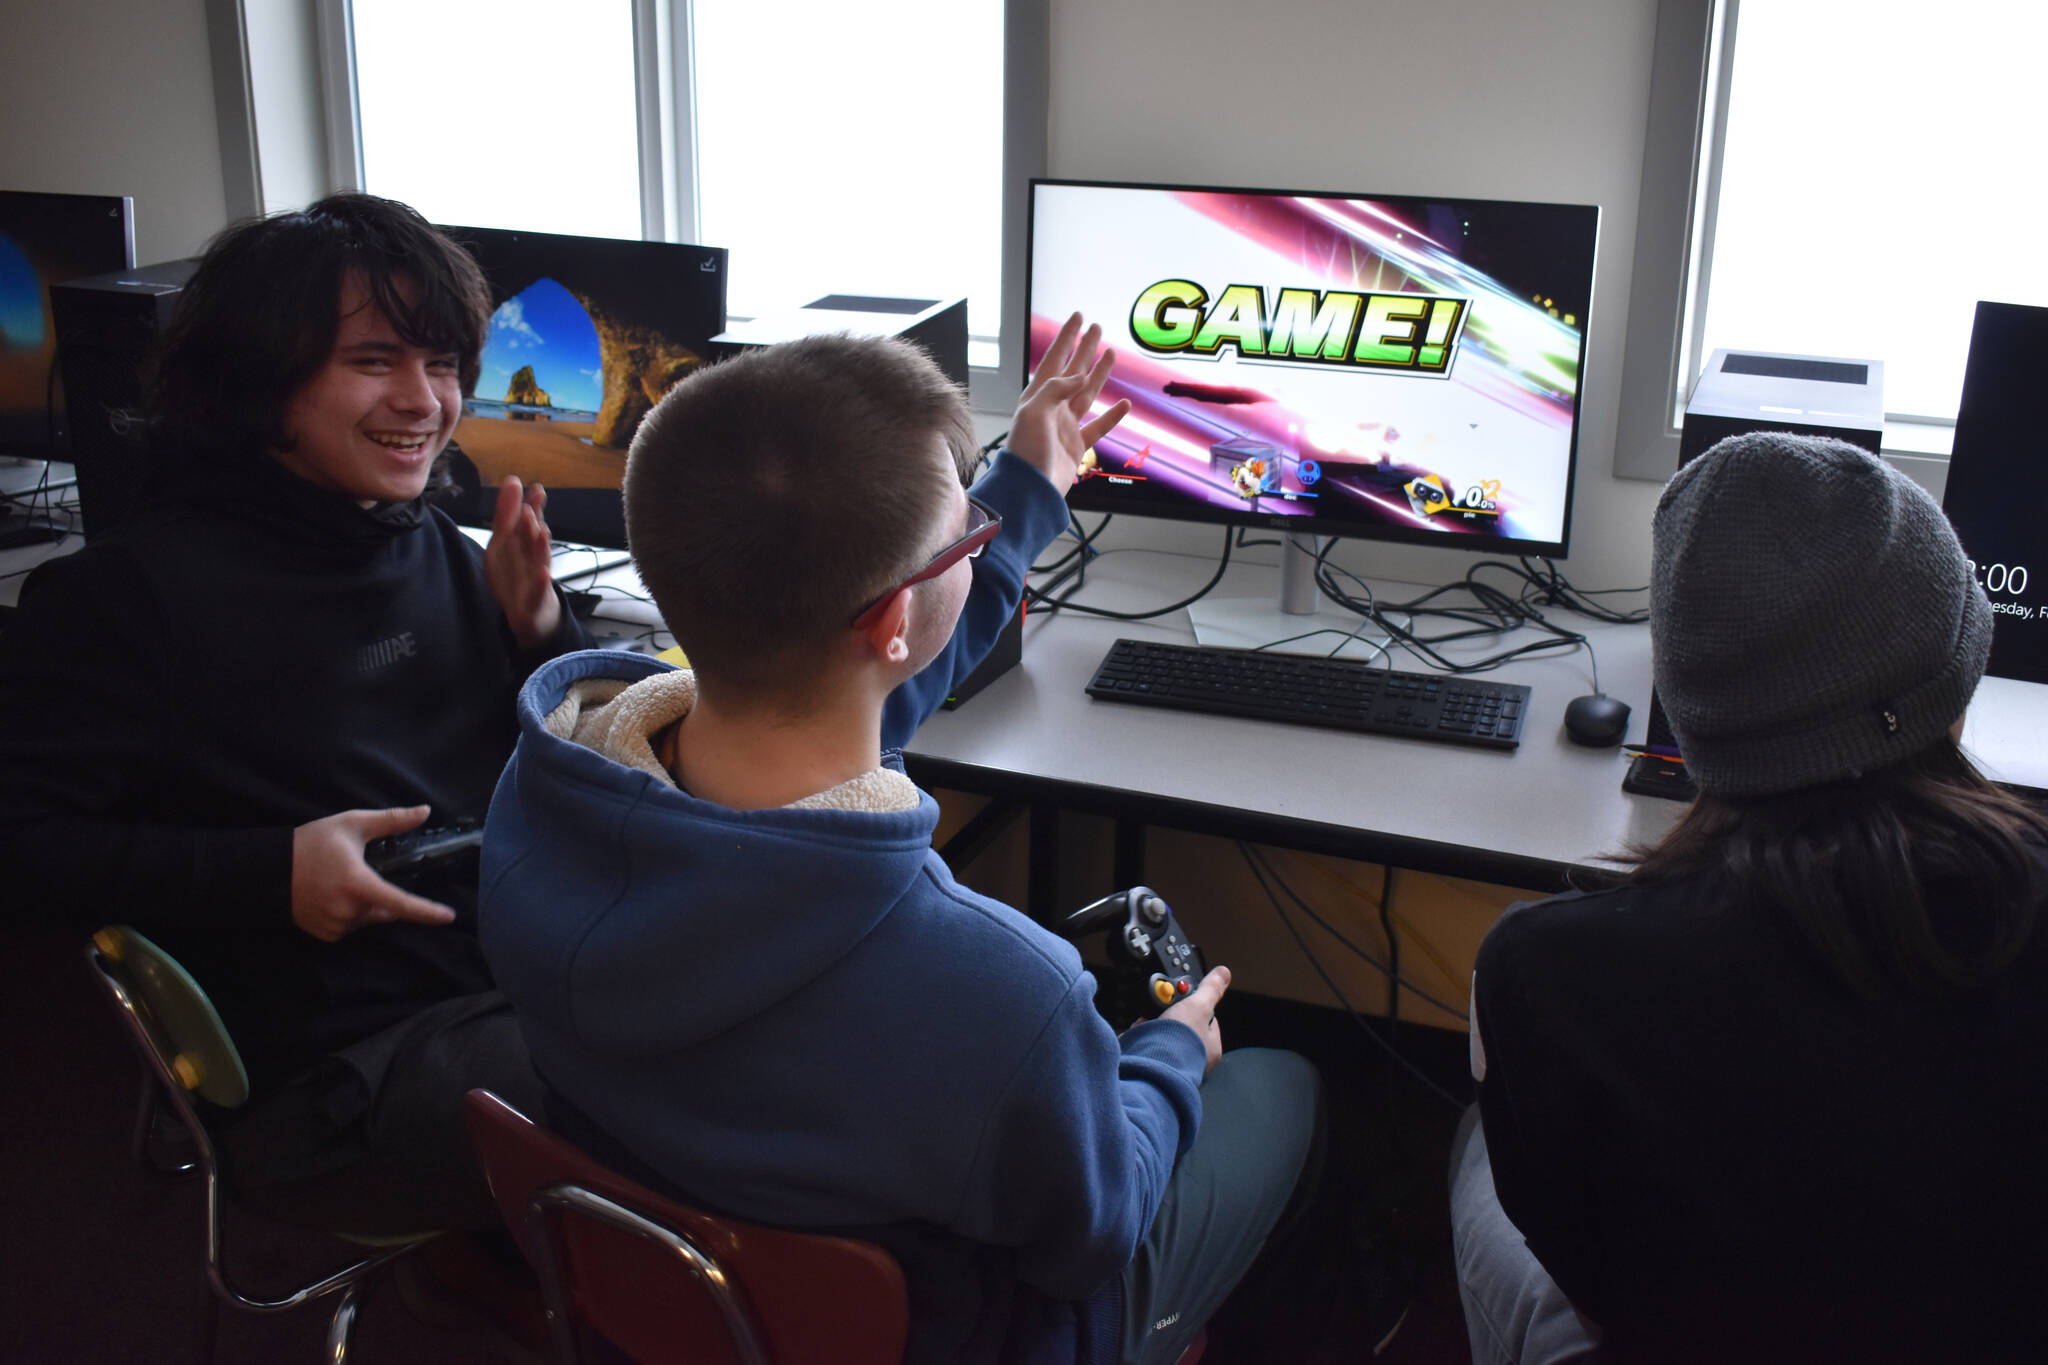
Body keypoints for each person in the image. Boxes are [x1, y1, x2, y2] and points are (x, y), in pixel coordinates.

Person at [478, 319, 1325, 1365]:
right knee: (1283, 1087)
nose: (979, 534)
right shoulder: (1001, 992)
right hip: (977, 1337)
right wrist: (1164, 1060)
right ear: (886, 620)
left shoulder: (542, 795)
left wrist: (1025, 486)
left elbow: (868, 677)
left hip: (669, 1298)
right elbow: (1089, 1234)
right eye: (963, 533)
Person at [0, 193, 591, 1233]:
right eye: (375, 361)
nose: (426, 400)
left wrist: (539, 634)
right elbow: (22, 847)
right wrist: (271, 875)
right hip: (343, 1055)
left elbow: (567, 763)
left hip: (516, 969)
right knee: (688, 1121)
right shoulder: (127, 598)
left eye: (444, 362)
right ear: (259, 381)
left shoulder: (429, 545)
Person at [1450, 432, 2048, 1364]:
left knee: (1474, 1150)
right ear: (1956, 680)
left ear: (1687, 719)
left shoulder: (1541, 972)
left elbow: (1586, 1272)